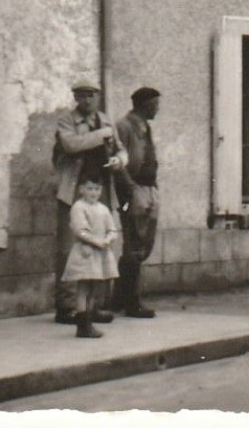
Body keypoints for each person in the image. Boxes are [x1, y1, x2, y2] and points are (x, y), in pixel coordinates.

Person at [52, 81, 124, 324]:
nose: (86, 101)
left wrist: (119, 161)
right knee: (69, 248)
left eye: (90, 96)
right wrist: (101, 135)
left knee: (101, 245)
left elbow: (122, 151)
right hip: (73, 190)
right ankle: (67, 307)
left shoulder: (105, 120)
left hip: (100, 189)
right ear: (75, 98)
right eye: (81, 96)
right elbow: (71, 144)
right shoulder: (67, 121)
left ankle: (93, 307)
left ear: (98, 97)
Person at [112, 86, 161, 319]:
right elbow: (118, 162)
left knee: (143, 243)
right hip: (134, 189)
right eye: (154, 105)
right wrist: (130, 189)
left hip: (149, 188)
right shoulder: (125, 126)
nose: (157, 109)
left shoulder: (145, 126)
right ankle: (131, 301)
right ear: (143, 105)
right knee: (134, 243)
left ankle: (118, 298)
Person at [64, 174, 120, 338]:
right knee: (83, 287)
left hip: (100, 252)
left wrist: (108, 239)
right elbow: (80, 230)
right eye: (89, 188)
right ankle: (82, 325)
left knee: (94, 288)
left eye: (97, 189)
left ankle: (89, 320)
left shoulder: (103, 209)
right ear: (81, 189)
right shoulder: (78, 207)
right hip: (85, 252)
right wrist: (97, 241)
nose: (93, 193)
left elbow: (112, 229)